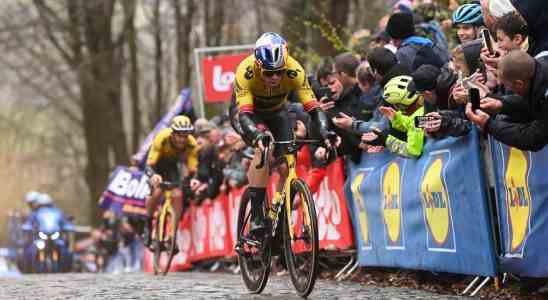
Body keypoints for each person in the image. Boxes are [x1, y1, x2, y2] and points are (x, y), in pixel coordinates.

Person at [230, 32, 336, 236]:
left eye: (279, 72)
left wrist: (325, 131)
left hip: (277, 111)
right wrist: (257, 135)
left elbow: (313, 107)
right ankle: (258, 216)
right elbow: (245, 114)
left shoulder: (295, 70)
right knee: (265, 149)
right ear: (259, 65)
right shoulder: (246, 71)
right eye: (269, 73)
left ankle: (277, 212)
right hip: (248, 113)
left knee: (286, 162)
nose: (275, 78)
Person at [466, 50, 548, 151]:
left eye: (507, 86)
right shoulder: (536, 66)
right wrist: (502, 104)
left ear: (519, 84)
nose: (507, 89)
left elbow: (534, 138)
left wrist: (488, 124)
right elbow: (534, 99)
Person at [142, 115, 198, 247]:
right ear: (173, 133)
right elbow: (149, 164)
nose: (183, 139)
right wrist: (153, 176)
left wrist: (193, 180)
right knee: (156, 192)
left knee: (178, 195)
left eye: (185, 135)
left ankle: (172, 235)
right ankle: (148, 224)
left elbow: (192, 167)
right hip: (157, 165)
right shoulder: (162, 138)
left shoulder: (191, 143)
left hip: (173, 167)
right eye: (180, 135)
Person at [363, 76, 425, 158]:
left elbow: (413, 152)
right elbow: (411, 123)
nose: (396, 108)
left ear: (401, 106)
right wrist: (396, 119)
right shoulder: (424, 104)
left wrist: (386, 140)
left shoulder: (416, 120)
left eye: (396, 105)